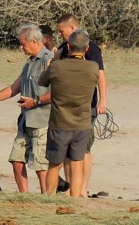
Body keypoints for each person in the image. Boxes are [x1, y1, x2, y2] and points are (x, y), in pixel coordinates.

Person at [0, 24, 53, 193]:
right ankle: (24, 196)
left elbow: (59, 92)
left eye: (23, 44)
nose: (20, 48)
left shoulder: (49, 60)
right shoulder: (29, 64)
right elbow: (13, 89)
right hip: (26, 120)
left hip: (43, 120)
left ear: (34, 41)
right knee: (16, 159)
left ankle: (46, 198)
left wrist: (35, 102)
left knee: (40, 164)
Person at [38, 29, 99, 198]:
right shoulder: (92, 67)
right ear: (86, 49)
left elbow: (42, 81)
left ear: (68, 47)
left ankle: (50, 196)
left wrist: (54, 60)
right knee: (76, 164)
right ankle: (75, 198)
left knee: (54, 164)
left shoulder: (57, 67)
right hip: (83, 124)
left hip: (59, 123)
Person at [55, 13, 108, 192]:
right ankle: (72, 188)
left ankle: (82, 189)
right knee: (68, 151)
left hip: (87, 106)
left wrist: (102, 100)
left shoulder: (91, 48)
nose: (60, 34)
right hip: (65, 108)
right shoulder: (63, 48)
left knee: (83, 148)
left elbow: (100, 74)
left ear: (72, 28)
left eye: (61, 31)